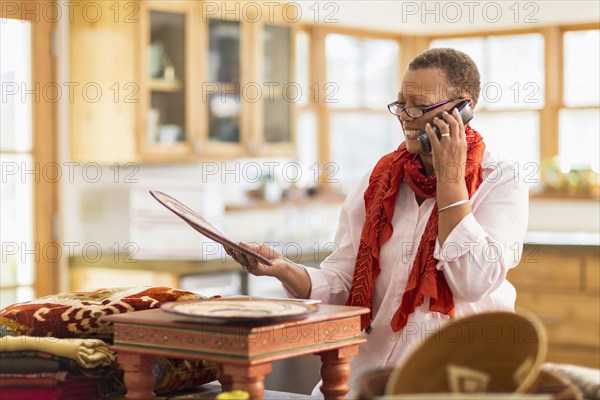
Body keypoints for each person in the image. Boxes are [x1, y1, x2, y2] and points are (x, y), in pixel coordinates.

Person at [229, 47, 529, 396]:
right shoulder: (380, 181)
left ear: (462, 109)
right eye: (401, 104)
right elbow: (343, 282)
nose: (406, 115)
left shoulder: (500, 180)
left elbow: (473, 282)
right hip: (365, 381)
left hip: (452, 383)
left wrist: (450, 177)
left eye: (420, 105)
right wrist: (284, 269)